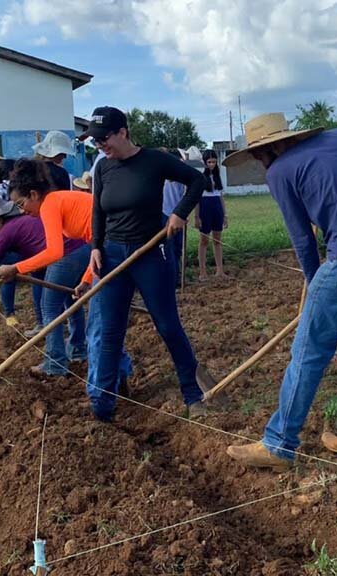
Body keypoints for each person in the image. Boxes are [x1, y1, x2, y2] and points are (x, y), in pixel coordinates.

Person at [222, 112, 337, 470]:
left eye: (258, 155)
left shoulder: (279, 170)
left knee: (308, 352)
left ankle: (279, 443)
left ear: (269, 148)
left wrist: (314, 281)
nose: (261, 163)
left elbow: (302, 238)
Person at [74, 106, 211, 421]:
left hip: (150, 253)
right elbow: (98, 211)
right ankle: (102, 407)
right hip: (110, 257)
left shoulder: (154, 160)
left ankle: (193, 394)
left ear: (123, 132)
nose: (100, 146)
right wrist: (96, 247)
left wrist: (179, 213)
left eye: (104, 139)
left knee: (167, 325)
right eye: (95, 142)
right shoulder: (103, 168)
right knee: (109, 330)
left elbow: (197, 181)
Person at [0, 161, 130, 389]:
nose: (22, 211)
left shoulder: (49, 204)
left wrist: (16, 268)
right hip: (109, 247)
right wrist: (87, 279)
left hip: (114, 246)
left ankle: (67, 367)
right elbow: (95, 243)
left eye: (22, 203)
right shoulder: (57, 200)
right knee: (104, 320)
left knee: (88, 320)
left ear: (34, 194)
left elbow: (54, 251)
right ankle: (117, 373)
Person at [0, 194, 87, 370]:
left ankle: (55, 365)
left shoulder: (7, 231)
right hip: (81, 249)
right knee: (72, 301)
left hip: (64, 256)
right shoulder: (24, 221)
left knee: (50, 309)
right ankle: (77, 350)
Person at [196, 149, 229, 280]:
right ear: (204, 163)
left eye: (214, 162)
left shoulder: (218, 176)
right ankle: (202, 271)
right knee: (204, 240)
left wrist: (225, 215)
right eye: (209, 162)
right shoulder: (200, 177)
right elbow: (196, 199)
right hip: (204, 207)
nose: (212, 164)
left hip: (216, 207)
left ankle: (219, 270)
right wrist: (196, 216)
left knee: (217, 240)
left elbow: (221, 196)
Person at [161, 149, 187, 287]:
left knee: (178, 248)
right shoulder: (160, 175)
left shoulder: (181, 176)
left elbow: (185, 194)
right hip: (164, 215)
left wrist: (184, 213)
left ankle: (177, 277)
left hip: (178, 215)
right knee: (167, 248)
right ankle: (170, 278)